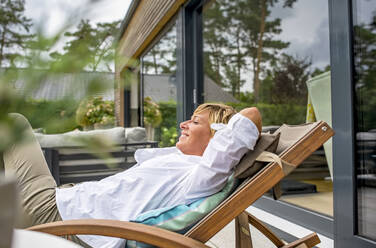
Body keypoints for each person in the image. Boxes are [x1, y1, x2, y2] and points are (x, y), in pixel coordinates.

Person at [2, 103, 261, 248]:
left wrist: (222, 130)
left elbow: (251, 116)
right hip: (65, 201)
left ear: (217, 135)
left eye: (194, 121)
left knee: (14, 122)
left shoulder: (201, 175)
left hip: (53, 216)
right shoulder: (181, 162)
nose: (183, 124)